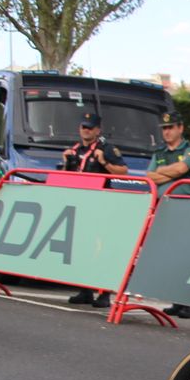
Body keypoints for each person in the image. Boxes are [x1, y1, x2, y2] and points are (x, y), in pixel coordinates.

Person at [62, 112, 128, 308]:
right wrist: (66, 161)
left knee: (101, 249)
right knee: (83, 247)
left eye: (90, 127)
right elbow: (68, 176)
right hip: (82, 204)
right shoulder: (75, 150)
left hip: (102, 205)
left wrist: (104, 163)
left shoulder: (106, 149)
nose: (86, 130)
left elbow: (123, 171)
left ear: (98, 130)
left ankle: (105, 293)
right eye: (84, 127)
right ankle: (85, 289)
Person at [145, 112, 190, 319]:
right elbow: (149, 176)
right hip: (166, 208)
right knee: (171, 256)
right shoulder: (159, 151)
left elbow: (183, 168)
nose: (167, 131)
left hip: (187, 208)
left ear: (180, 128)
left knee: (187, 256)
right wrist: (171, 172)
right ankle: (177, 301)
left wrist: (164, 172)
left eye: (170, 127)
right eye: (164, 128)